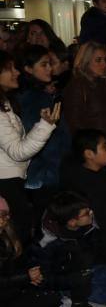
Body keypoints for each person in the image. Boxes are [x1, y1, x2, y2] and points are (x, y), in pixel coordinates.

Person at [59, 130, 106, 303]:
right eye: (103, 146)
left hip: (90, 251)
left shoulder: (79, 172)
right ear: (88, 154)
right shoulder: (94, 189)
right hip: (101, 254)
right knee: (105, 297)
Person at [0, 51, 58, 244]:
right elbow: (18, 152)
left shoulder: (6, 103)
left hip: (12, 180)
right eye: (10, 69)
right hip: (6, 184)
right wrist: (45, 125)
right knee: (16, 239)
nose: (16, 72)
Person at [15, 45, 72, 228]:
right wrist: (52, 171)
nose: (50, 69)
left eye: (50, 64)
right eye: (44, 64)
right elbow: (38, 139)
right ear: (28, 69)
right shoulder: (32, 98)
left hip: (49, 172)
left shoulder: (40, 94)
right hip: (45, 176)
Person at [0, 195, 62, 307]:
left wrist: (29, 277)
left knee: (52, 302)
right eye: (1, 215)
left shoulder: (7, 235)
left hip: (8, 294)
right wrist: (25, 277)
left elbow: (15, 265)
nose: (5, 219)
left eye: (6, 214)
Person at [35, 191, 101, 307]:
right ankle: (69, 297)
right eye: (86, 214)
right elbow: (42, 275)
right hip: (52, 272)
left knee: (103, 290)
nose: (92, 214)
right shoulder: (46, 241)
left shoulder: (88, 225)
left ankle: (78, 304)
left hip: (74, 263)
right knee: (48, 305)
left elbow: (94, 247)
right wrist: (72, 280)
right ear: (71, 222)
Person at [62, 41, 106, 143]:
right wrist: (98, 146)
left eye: (105, 60)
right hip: (93, 148)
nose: (104, 64)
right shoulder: (77, 86)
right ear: (86, 61)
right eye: (98, 60)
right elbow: (75, 124)